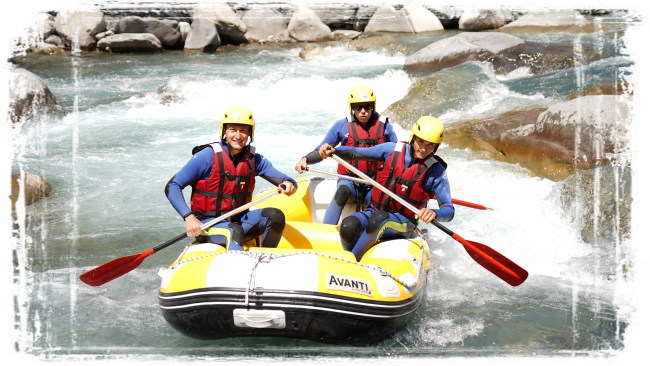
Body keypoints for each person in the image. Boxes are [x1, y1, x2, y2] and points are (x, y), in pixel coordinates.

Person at [318, 116, 455, 260]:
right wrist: (334, 151)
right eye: (420, 141)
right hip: (376, 210)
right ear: (413, 137)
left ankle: (351, 260)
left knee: (378, 219)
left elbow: (449, 210)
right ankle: (359, 257)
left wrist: (434, 213)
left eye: (430, 145)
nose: (423, 148)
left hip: (404, 221)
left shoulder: (437, 171)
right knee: (347, 225)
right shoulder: (392, 150)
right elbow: (355, 153)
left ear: (436, 147)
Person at [165, 107, 297, 250]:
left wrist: (288, 183)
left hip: (240, 220)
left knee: (275, 215)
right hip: (208, 224)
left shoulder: (254, 160)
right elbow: (172, 186)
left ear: (250, 134)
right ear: (224, 132)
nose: (238, 136)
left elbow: (286, 180)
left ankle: (266, 255)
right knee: (234, 231)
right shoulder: (207, 156)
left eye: (243, 131)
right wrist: (189, 217)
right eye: (233, 130)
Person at [294, 86, 398, 225]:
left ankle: (368, 233)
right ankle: (326, 231)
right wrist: (305, 159)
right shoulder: (341, 125)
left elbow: (397, 155)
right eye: (357, 107)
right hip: (349, 179)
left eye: (367, 107)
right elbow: (322, 150)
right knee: (342, 192)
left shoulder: (385, 126)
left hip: (374, 180)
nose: (362, 112)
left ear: (373, 106)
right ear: (351, 108)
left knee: (374, 200)